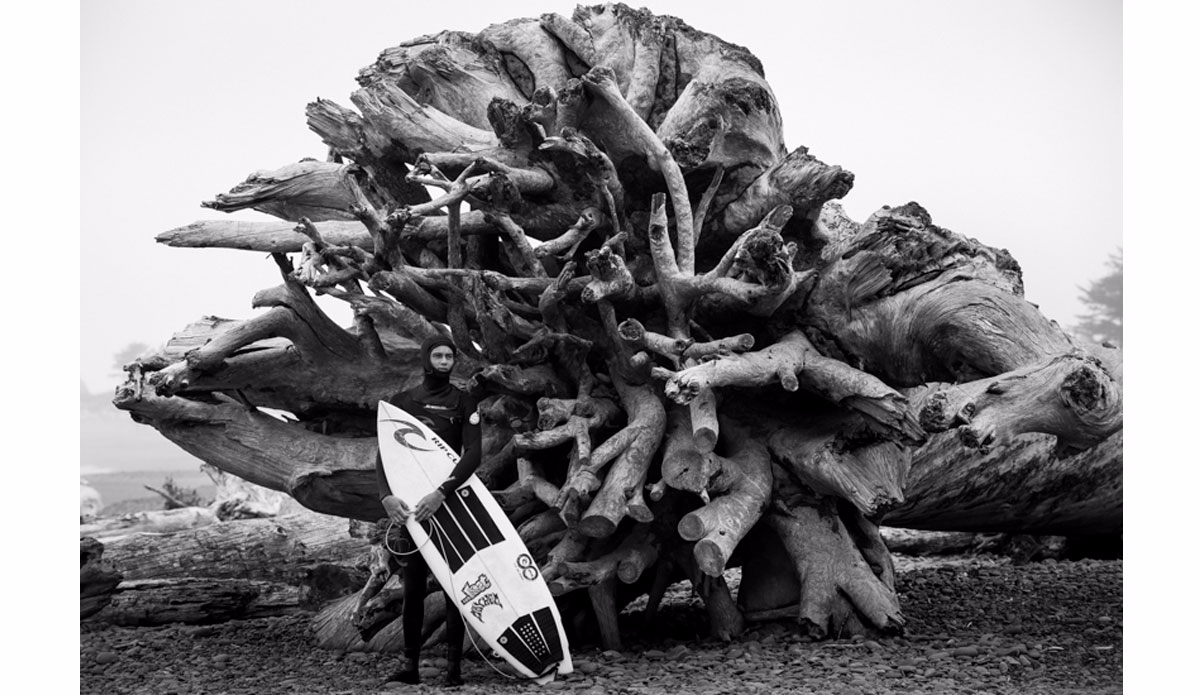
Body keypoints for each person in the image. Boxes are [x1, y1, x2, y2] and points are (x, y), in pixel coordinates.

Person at [376, 333, 482, 687]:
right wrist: (386, 497)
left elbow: (473, 454)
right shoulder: (403, 402)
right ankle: (410, 667)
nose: (443, 361)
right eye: (437, 355)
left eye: (448, 356)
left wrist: (442, 492)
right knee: (414, 588)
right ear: (425, 359)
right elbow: (384, 455)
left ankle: (454, 670)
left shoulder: (465, 402)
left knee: (454, 589)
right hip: (413, 509)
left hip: (450, 507)